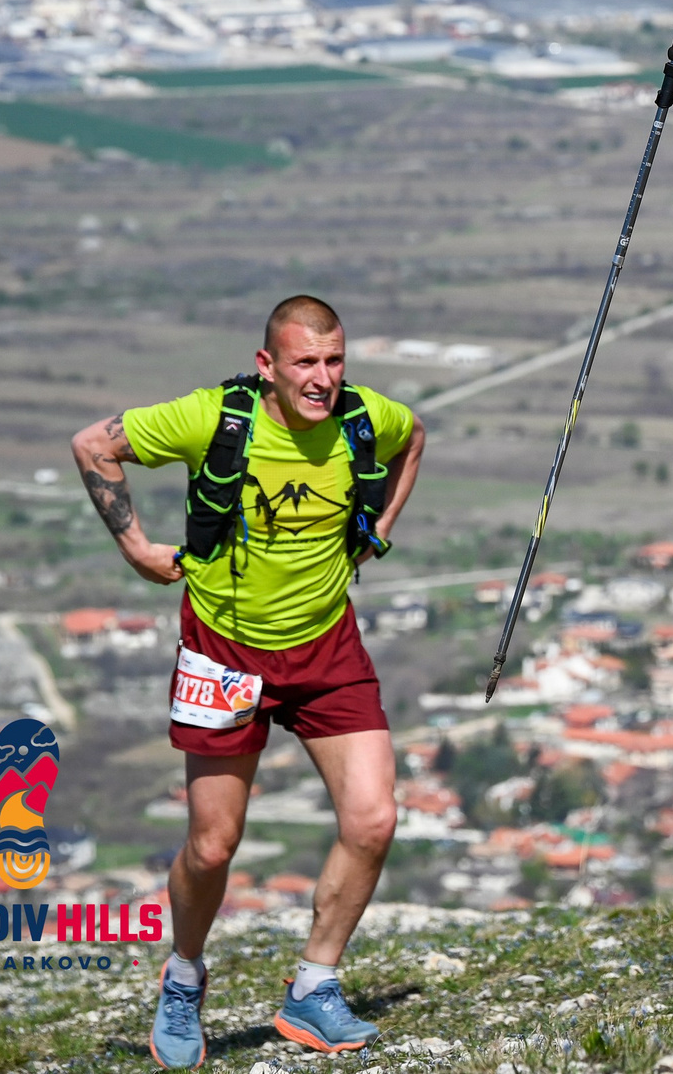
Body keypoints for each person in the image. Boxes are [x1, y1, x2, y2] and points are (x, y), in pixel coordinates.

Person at [70, 294, 424, 1065]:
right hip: (225, 648)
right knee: (212, 843)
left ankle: (313, 989)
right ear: (269, 364)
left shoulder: (367, 418)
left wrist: (378, 531)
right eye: (305, 362)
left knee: (373, 819)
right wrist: (134, 545)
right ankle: (185, 976)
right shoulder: (215, 418)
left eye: (334, 362)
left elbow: (413, 438)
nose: (323, 378)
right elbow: (93, 443)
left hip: (327, 644)